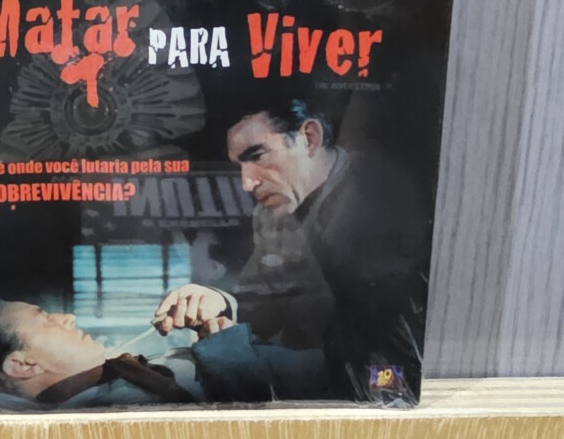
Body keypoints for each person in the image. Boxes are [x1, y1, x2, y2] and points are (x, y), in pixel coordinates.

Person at [154, 102, 432, 399]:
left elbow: (389, 378)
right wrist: (218, 303)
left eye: (258, 156)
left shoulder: (386, 204)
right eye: (240, 166)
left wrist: (242, 362)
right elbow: (259, 304)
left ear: (309, 138)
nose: (247, 183)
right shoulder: (273, 213)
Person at [0, 299, 327, 409]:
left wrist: (216, 307)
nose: (67, 317)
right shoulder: (114, 413)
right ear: (23, 364)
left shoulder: (128, 376)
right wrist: (228, 357)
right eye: (44, 318)